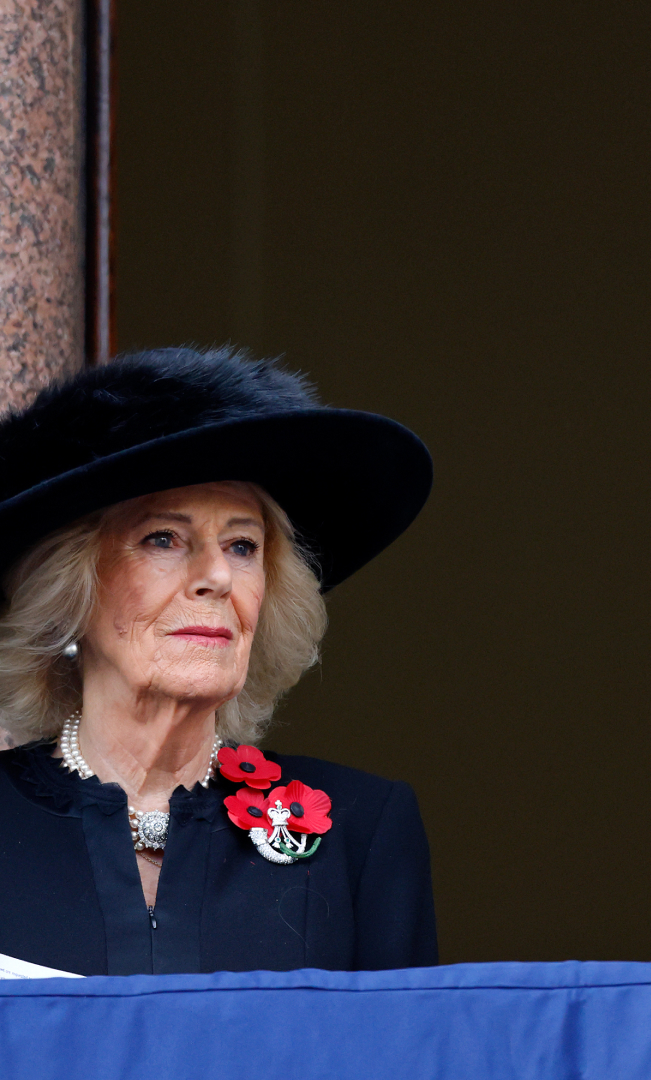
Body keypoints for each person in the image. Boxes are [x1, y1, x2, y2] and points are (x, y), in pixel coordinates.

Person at [0, 347, 438, 976]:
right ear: (70, 589)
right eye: (163, 539)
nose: (216, 576)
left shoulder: (361, 833)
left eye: (242, 545)